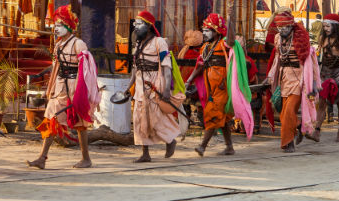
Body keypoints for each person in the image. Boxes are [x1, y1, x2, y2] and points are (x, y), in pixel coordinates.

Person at [27, 5, 100, 169]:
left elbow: (86, 70)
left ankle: (86, 158)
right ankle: (42, 157)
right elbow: (56, 67)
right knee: (51, 118)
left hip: (76, 86)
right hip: (60, 86)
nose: (56, 29)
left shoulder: (78, 44)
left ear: (68, 26)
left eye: (60, 26)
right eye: (55, 26)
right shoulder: (59, 45)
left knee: (80, 123)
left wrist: (83, 92)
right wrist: (50, 88)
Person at [184, 13, 252, 157]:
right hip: (211, 88)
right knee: (224, 119)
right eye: (204, 30)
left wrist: (231, 17)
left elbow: (232, 39)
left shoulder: (224, 44)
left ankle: (202, 146)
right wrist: (189, 80)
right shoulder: (206, 47)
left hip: (222, 88)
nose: (204, 33)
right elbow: (200, 66)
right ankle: (229, 147)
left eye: (208, 30)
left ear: (217, 31)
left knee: (212, 114)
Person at [125, 10, 180, 163]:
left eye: (140, 24)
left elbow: (167, 66)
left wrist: (166, 89)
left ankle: (170, 141)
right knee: (139, 120)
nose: (136, 27)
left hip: (155, 85)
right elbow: (135, 68)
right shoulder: (138, 43)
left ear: (149, 26)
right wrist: (129, 88)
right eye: (135, 23)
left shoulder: (159, 42)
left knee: (156, 119)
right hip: (140, 88)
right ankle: (145, 154)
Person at [265, 11, 320, 153]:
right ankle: (301, 125)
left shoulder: (301, 39)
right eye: (279, 27)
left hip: (299, 80)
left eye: (285, 27)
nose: (281, 30)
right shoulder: (277, 38)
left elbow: (310, 63)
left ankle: (288, 143)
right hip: (284, 79)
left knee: (289, 111)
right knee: (283, 113)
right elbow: (277, 59)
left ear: (291, 26)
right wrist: (271, 76)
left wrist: (312, 84)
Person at [308, 14, 339, 143]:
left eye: (328, 26)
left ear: (335, 25)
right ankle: (317, 131)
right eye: (324, 26)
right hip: (325, 72)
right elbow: (318, 56)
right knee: (322, 102)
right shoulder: (322, 38)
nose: (325, 28)